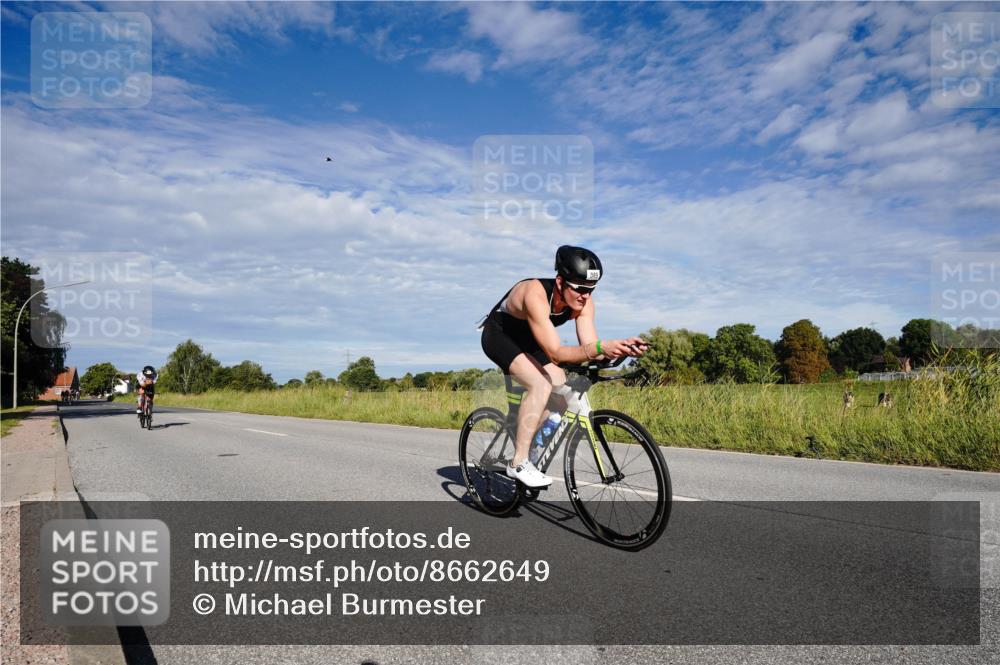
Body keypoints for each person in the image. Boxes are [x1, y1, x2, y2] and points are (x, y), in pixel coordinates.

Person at [479, 246, 647, 488]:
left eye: (591, 290)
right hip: (500, 335)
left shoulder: (584, 303)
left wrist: (620, 349)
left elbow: (589, 346)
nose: (585, 296)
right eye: (579, 288)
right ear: (560, 281)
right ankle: (518, 462)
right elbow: (557, 353)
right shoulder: (534, 294)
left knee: (562, 396)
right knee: (540, 384)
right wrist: (601, 347)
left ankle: (526, 445)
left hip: (532, 338)